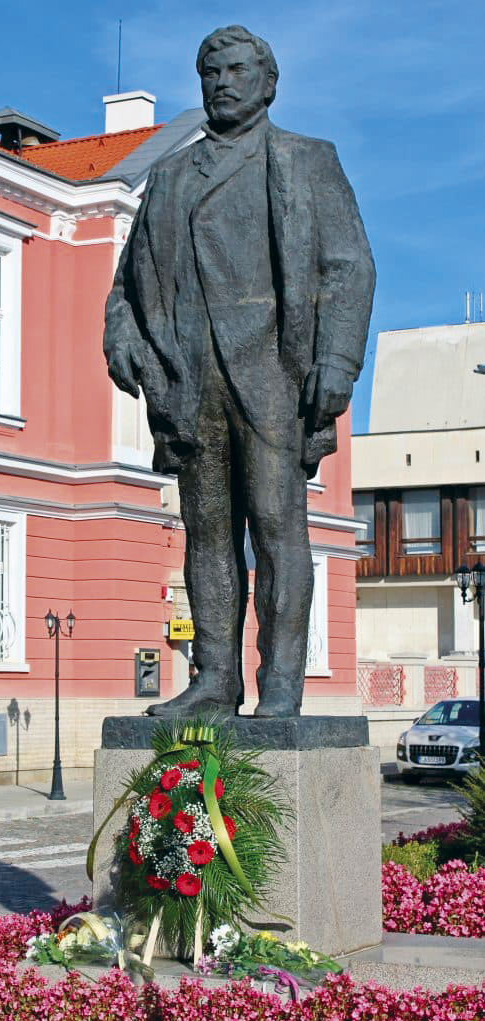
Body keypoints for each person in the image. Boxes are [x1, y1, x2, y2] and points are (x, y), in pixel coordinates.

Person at [104, 25, 375, 718]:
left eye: (236, 70)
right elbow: (127, 283)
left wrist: (337, 361)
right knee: (206, 533)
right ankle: (214, 679)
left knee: (278, 528)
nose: (222, 82)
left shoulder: (306, 160)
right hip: (189, 377)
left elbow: (348, 268)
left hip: (273, 372)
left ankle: (281, 683)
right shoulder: (168, 177)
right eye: (211, 73)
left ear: (267, 82)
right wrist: (122, 336)